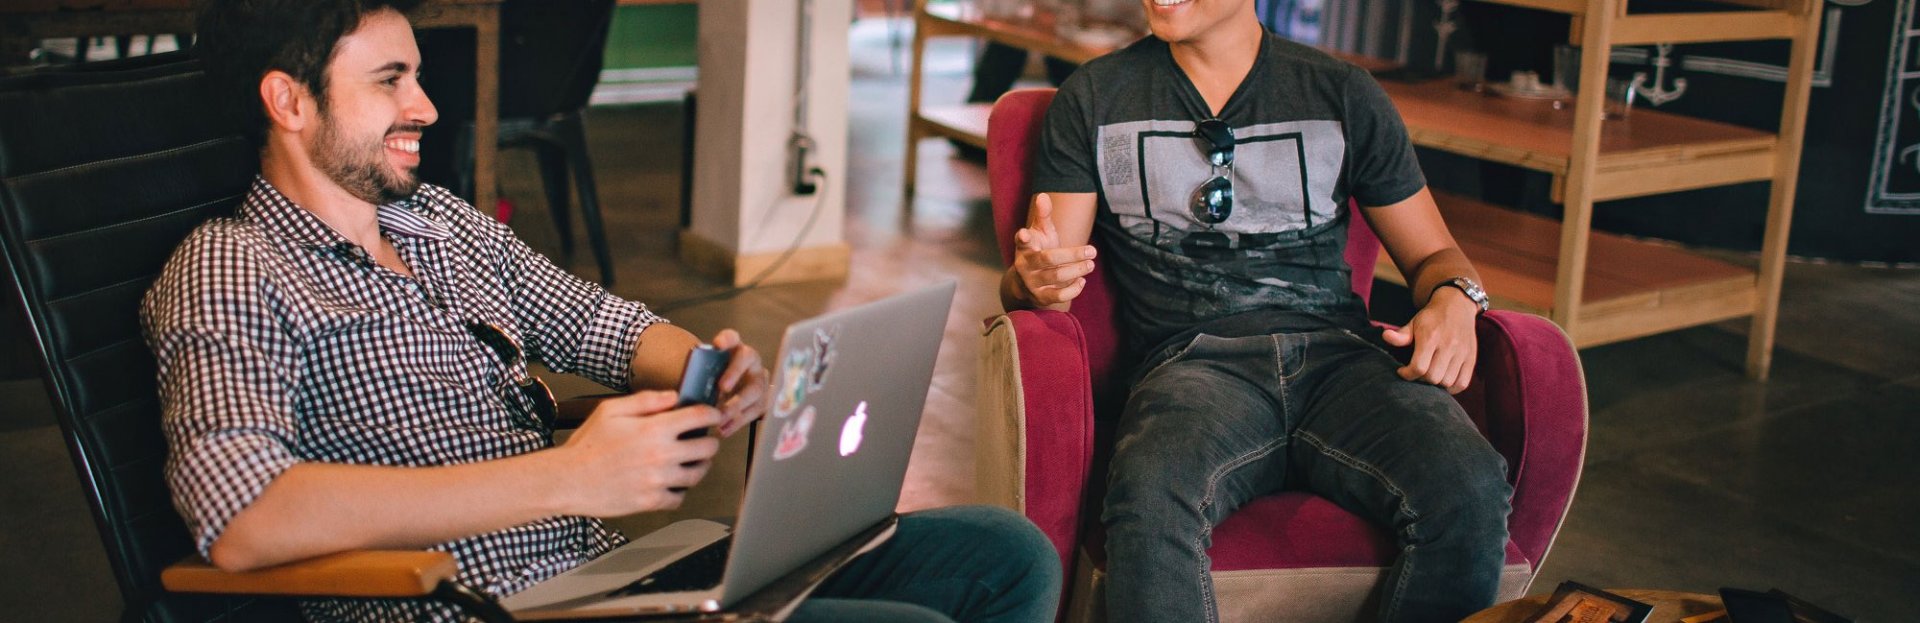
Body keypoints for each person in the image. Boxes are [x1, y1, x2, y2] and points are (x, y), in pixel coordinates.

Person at [147, 1, 1059, 621]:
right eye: (390, 80)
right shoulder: (233, 265)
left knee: (1007, 552)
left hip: (607, 581)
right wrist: (569, 478)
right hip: (480, 604)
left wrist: (707, 369)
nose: (425, 104)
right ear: (288, 100)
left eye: (416, 76)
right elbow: (242, 518)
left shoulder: (435, 224)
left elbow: (605, 326)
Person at [1000, 0, 1511, 621]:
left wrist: (1457, 298)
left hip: (1344, 360)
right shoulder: (1096, 96)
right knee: (1151, 495)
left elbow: (1434, 253)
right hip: (1194, 367)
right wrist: (1033, 282)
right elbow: (1045, 277)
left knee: (1469, 485)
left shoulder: (1341, 92)